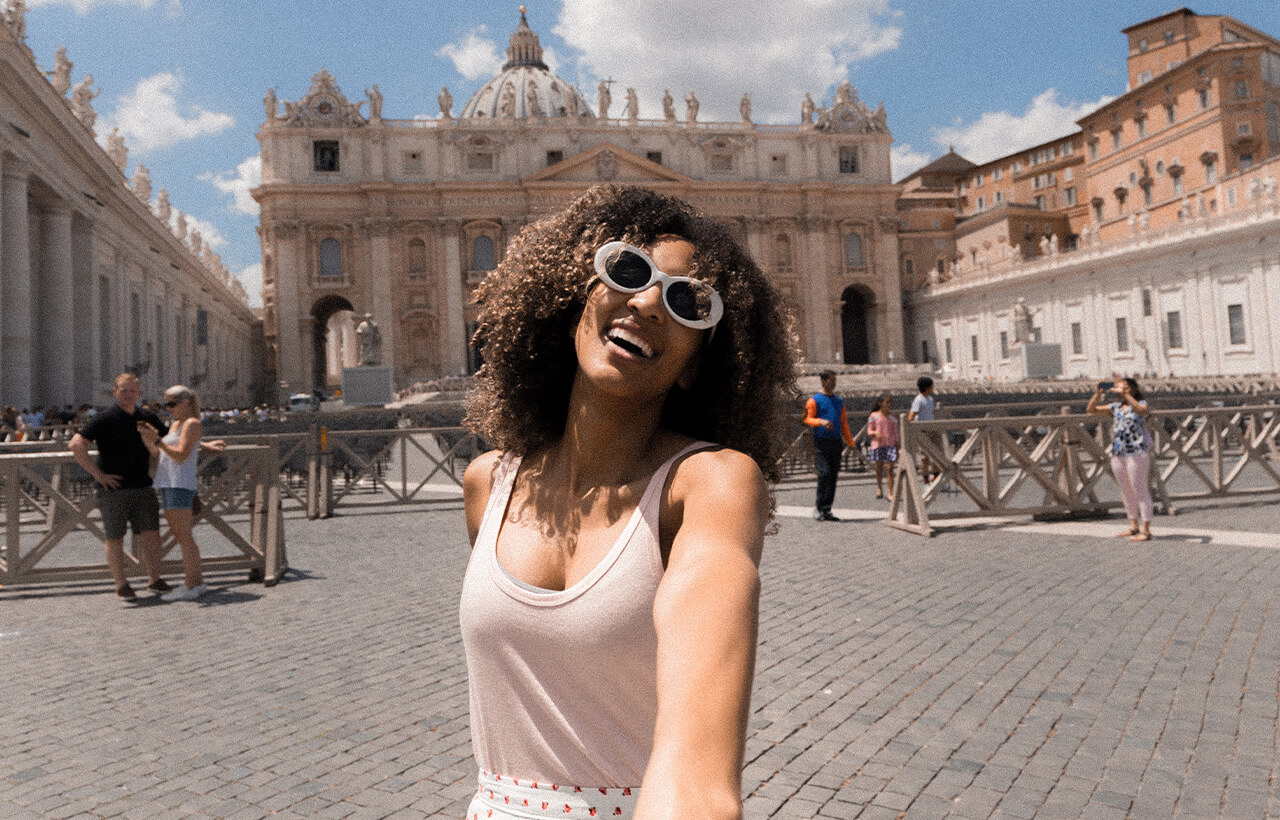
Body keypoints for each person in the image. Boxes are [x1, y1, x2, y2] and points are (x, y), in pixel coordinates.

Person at [460, 184, 795, 819]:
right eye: (627, 270)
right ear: (573, 299)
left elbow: (698, 779)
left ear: (699, 361)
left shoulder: (713, 484)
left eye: (687, 301)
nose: (646, 302)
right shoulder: (487, 484)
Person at [68, 373, 172, 600]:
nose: (128, 394)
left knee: (152, 533)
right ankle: (121, 584)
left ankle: (155, 578)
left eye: (133, 390)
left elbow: (170, 440)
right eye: (124, 390)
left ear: (139, 393)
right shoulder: (103, 418)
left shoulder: (146, 417)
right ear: (115, 392)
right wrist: (98, 474)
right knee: (114, 537)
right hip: (112, 489)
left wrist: (202, 444)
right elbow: (76, 444)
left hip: (143, 485)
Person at [139, 385, 209, 601]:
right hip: (168, 482)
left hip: (180, 483)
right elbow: (160, 454)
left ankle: (194, 584)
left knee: (185, 537)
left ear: (185, 403)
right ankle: (193, 582)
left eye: (171, 404)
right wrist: (147, 438)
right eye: (165, 404)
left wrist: (158, 440)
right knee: (180, 536)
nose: (167, 408)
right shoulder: (176, 424)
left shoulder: (192, 423)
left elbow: (180, 455)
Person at [1087, 378, 1154, 541]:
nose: (1120, 387)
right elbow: (1091, 410)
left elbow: (1141, 411)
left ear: (1133, 389)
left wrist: (1127, 395)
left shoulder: (1141, 403)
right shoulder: (1115, 407)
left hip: (1137, 453)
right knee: (1127, 491)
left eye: (1124, 385)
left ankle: (1146, 530)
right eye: (1119, 385)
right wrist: (1097, 394)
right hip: (1119, 453)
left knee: (1141, 491)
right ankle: (1133, 526)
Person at [803, 370, 855, 521]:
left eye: (835, 380)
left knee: (833, 475)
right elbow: (806, 419)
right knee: (824, 473)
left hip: (836, 441)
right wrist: (820, 421)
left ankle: (827, 509)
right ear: (823, 381)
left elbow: (844, 423)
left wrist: (850, 442)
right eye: (831, 380)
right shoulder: (814, 400)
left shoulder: (839, 401)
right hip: (821, 441)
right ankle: (819, 507)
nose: (834, 383)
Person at [867, 395, 899, 500]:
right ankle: (879, 487)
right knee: (879, 467)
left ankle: (891, 492)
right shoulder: (873, 416)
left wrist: (898, 446)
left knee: (890, 469)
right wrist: (875, 433)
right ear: (881, 403)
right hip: (878, 445)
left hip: (890, 445)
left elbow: (895, 433)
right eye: (887, 402)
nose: (889, 405)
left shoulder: (893, 417)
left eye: (890, 402)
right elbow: (869, 431)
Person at [908, 375, 937, 480]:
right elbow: (911, 416)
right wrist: (915, 430)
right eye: (932, 386)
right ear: (927, 387)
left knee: (936, 456)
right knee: (924, 457)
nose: (933, 388)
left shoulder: (930, 399)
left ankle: (935, 479)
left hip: (932, 429)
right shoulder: (918, 400)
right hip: (923, 431)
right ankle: (926, 480)